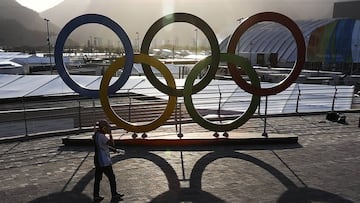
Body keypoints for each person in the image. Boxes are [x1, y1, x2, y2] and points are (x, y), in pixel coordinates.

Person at [93, 119, 124, 202]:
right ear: (103, 128)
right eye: (106, 127)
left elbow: (104, 146)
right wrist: (110, 134)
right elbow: (111, 143)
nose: (107, 129)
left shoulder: (97, 135)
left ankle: (96, 195)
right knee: (111, 177)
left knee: (98, 179)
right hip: (104, 161)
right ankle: (114, 194)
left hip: (98, 160)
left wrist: (114, 150)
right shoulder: (102, 136)